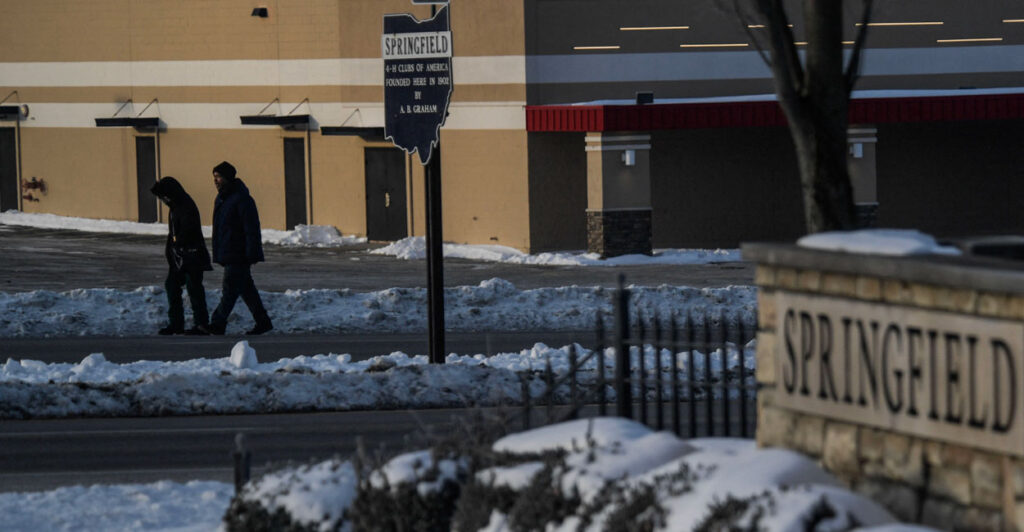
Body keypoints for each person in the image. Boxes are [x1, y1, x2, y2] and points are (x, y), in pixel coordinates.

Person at [199, 161, 273, 335]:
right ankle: (263, 321)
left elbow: (251, 228)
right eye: (214, 177)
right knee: (247, 290)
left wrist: (252, 253)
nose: (215, 181)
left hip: (238, 253)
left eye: (219, 177)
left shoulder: (241, 199)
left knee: (230, 289)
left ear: (228, 178)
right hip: (229, 250)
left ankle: (218, 323)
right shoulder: (223, 198)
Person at [150, 176, 213, 335]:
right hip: (180, 257)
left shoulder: (184, 206)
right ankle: (178, 323)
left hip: (190, 256)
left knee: (193, 289)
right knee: (174, 286)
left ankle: (200, 323)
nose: (163, 200)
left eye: (163, 196)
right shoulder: (177, 206)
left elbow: (184, 233)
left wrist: (177, 244)